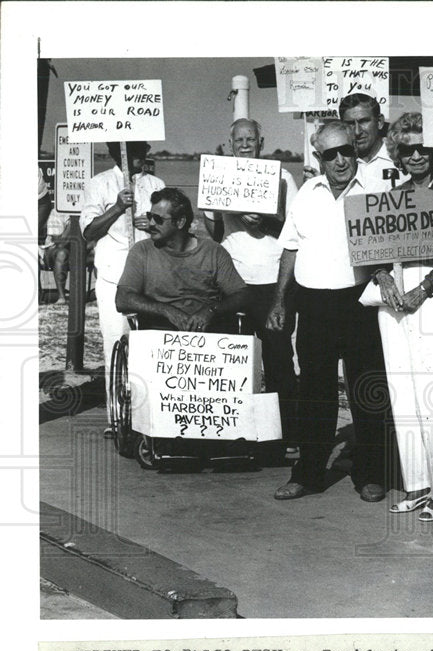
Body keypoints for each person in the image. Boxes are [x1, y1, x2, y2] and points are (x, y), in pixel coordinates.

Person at [267, 120, 393, 503]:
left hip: (358, 303)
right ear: (318, 157)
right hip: (313, 306)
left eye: (347, 151)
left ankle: (371, 474)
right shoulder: (306, 192)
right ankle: (307, 473)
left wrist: (386, 273)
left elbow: (390, 250)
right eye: (331, 154)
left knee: (367, 392)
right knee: (314, 395)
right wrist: (279, 301)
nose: (341, 161)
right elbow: (290, 247)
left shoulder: (375, 191)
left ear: (356, 150)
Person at [373, 112, 433, 521]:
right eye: (408, 149)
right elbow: (370, 252)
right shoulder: (389, 197)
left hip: (432, 296)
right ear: (397, 152)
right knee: (402, 394)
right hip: (393, 298)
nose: (416, 156)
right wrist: (382, 277)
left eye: (423, 148)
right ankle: (417, 484)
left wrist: (423, 288)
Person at [204, 118, 300, 459]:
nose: (245, 144)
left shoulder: (282, 177)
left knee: (278, 358)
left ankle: (283, 435)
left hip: (274, 281)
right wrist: (221, 212)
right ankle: (237, 433)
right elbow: (214, 231)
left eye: (251, 139)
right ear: (230, 144)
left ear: (261, 141)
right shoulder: (221, 174)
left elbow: (294, 228)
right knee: (233, 361)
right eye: (239, 140)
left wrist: (266, 219)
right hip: (234, 281)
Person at [80, 141, 165, 434]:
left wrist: (153, 224)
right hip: (113, 277)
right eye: (133, 152)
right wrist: (117, 208)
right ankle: (118, 418)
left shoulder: (155, 184)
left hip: (151, 277)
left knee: (149, 346)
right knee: (115, 342)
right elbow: (89, 231)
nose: (140, 157)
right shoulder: (99, 183)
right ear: (118, 153)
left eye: (143, 151)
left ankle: (149, 417)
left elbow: (172, 227)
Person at [116, 187, 248, 332]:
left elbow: (241, 295)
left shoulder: (213, 252)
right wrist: (167, 311)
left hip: (205, 333)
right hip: (158, 333)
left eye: (158, 219)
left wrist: (211, 311)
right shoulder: (142, 251)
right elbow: (123, 299)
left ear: (180, 222)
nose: (151, 223)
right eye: (150, 216)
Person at [339, 93, 402, 192]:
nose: (357, 131)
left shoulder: (402, 156)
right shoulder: (338, 164)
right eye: (350, 124)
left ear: (380, 122)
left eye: (364, 121)